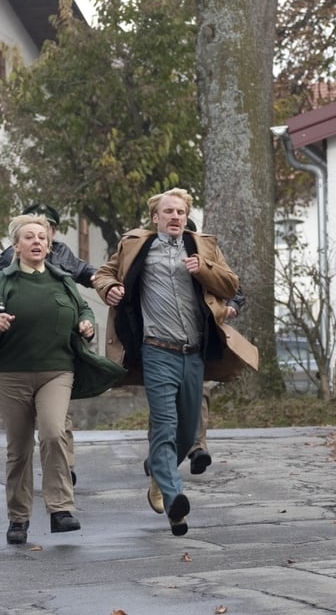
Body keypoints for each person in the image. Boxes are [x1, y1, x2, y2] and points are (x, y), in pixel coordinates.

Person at [93, 188, 248, 537]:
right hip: (156, 350)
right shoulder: (136, 245)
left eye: (180, 211)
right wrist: (109, 289)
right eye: (169, 212)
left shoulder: (203, 246)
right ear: (155, 217)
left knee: (188, 429)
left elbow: (231, 284)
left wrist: (203, 269)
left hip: (193, 352)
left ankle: (157, 473)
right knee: (164, 425)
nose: (175, 217)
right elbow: (103, 274)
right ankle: (175, 499)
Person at [0, 214, 104, 544]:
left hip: (57, 369)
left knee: (54, 433)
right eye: (30, 237)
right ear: (16, 246)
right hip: (12, 373)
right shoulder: (1, 281)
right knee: (19, 447)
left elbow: (83, 309)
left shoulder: (61, 279)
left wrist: (86, 324)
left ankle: (61, 509)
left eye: (42, 237)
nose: (37, 242)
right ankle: (18, 517)